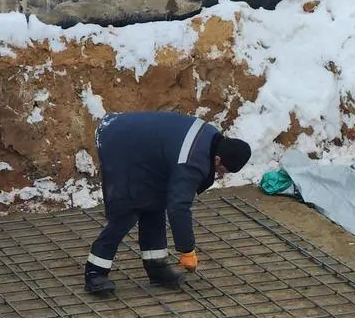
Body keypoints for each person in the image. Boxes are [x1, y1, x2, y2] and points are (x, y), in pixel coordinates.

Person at [83, 111, 252, 295]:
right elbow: (179, 207)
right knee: (127, 210)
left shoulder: (211, 139)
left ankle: (156, 267)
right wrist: (187, 250)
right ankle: (95, 273)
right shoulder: (192, 160)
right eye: (222, 170)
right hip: (119, 141)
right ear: (217, 159)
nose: (220, 174)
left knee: (155, 202)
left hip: (140, 145)